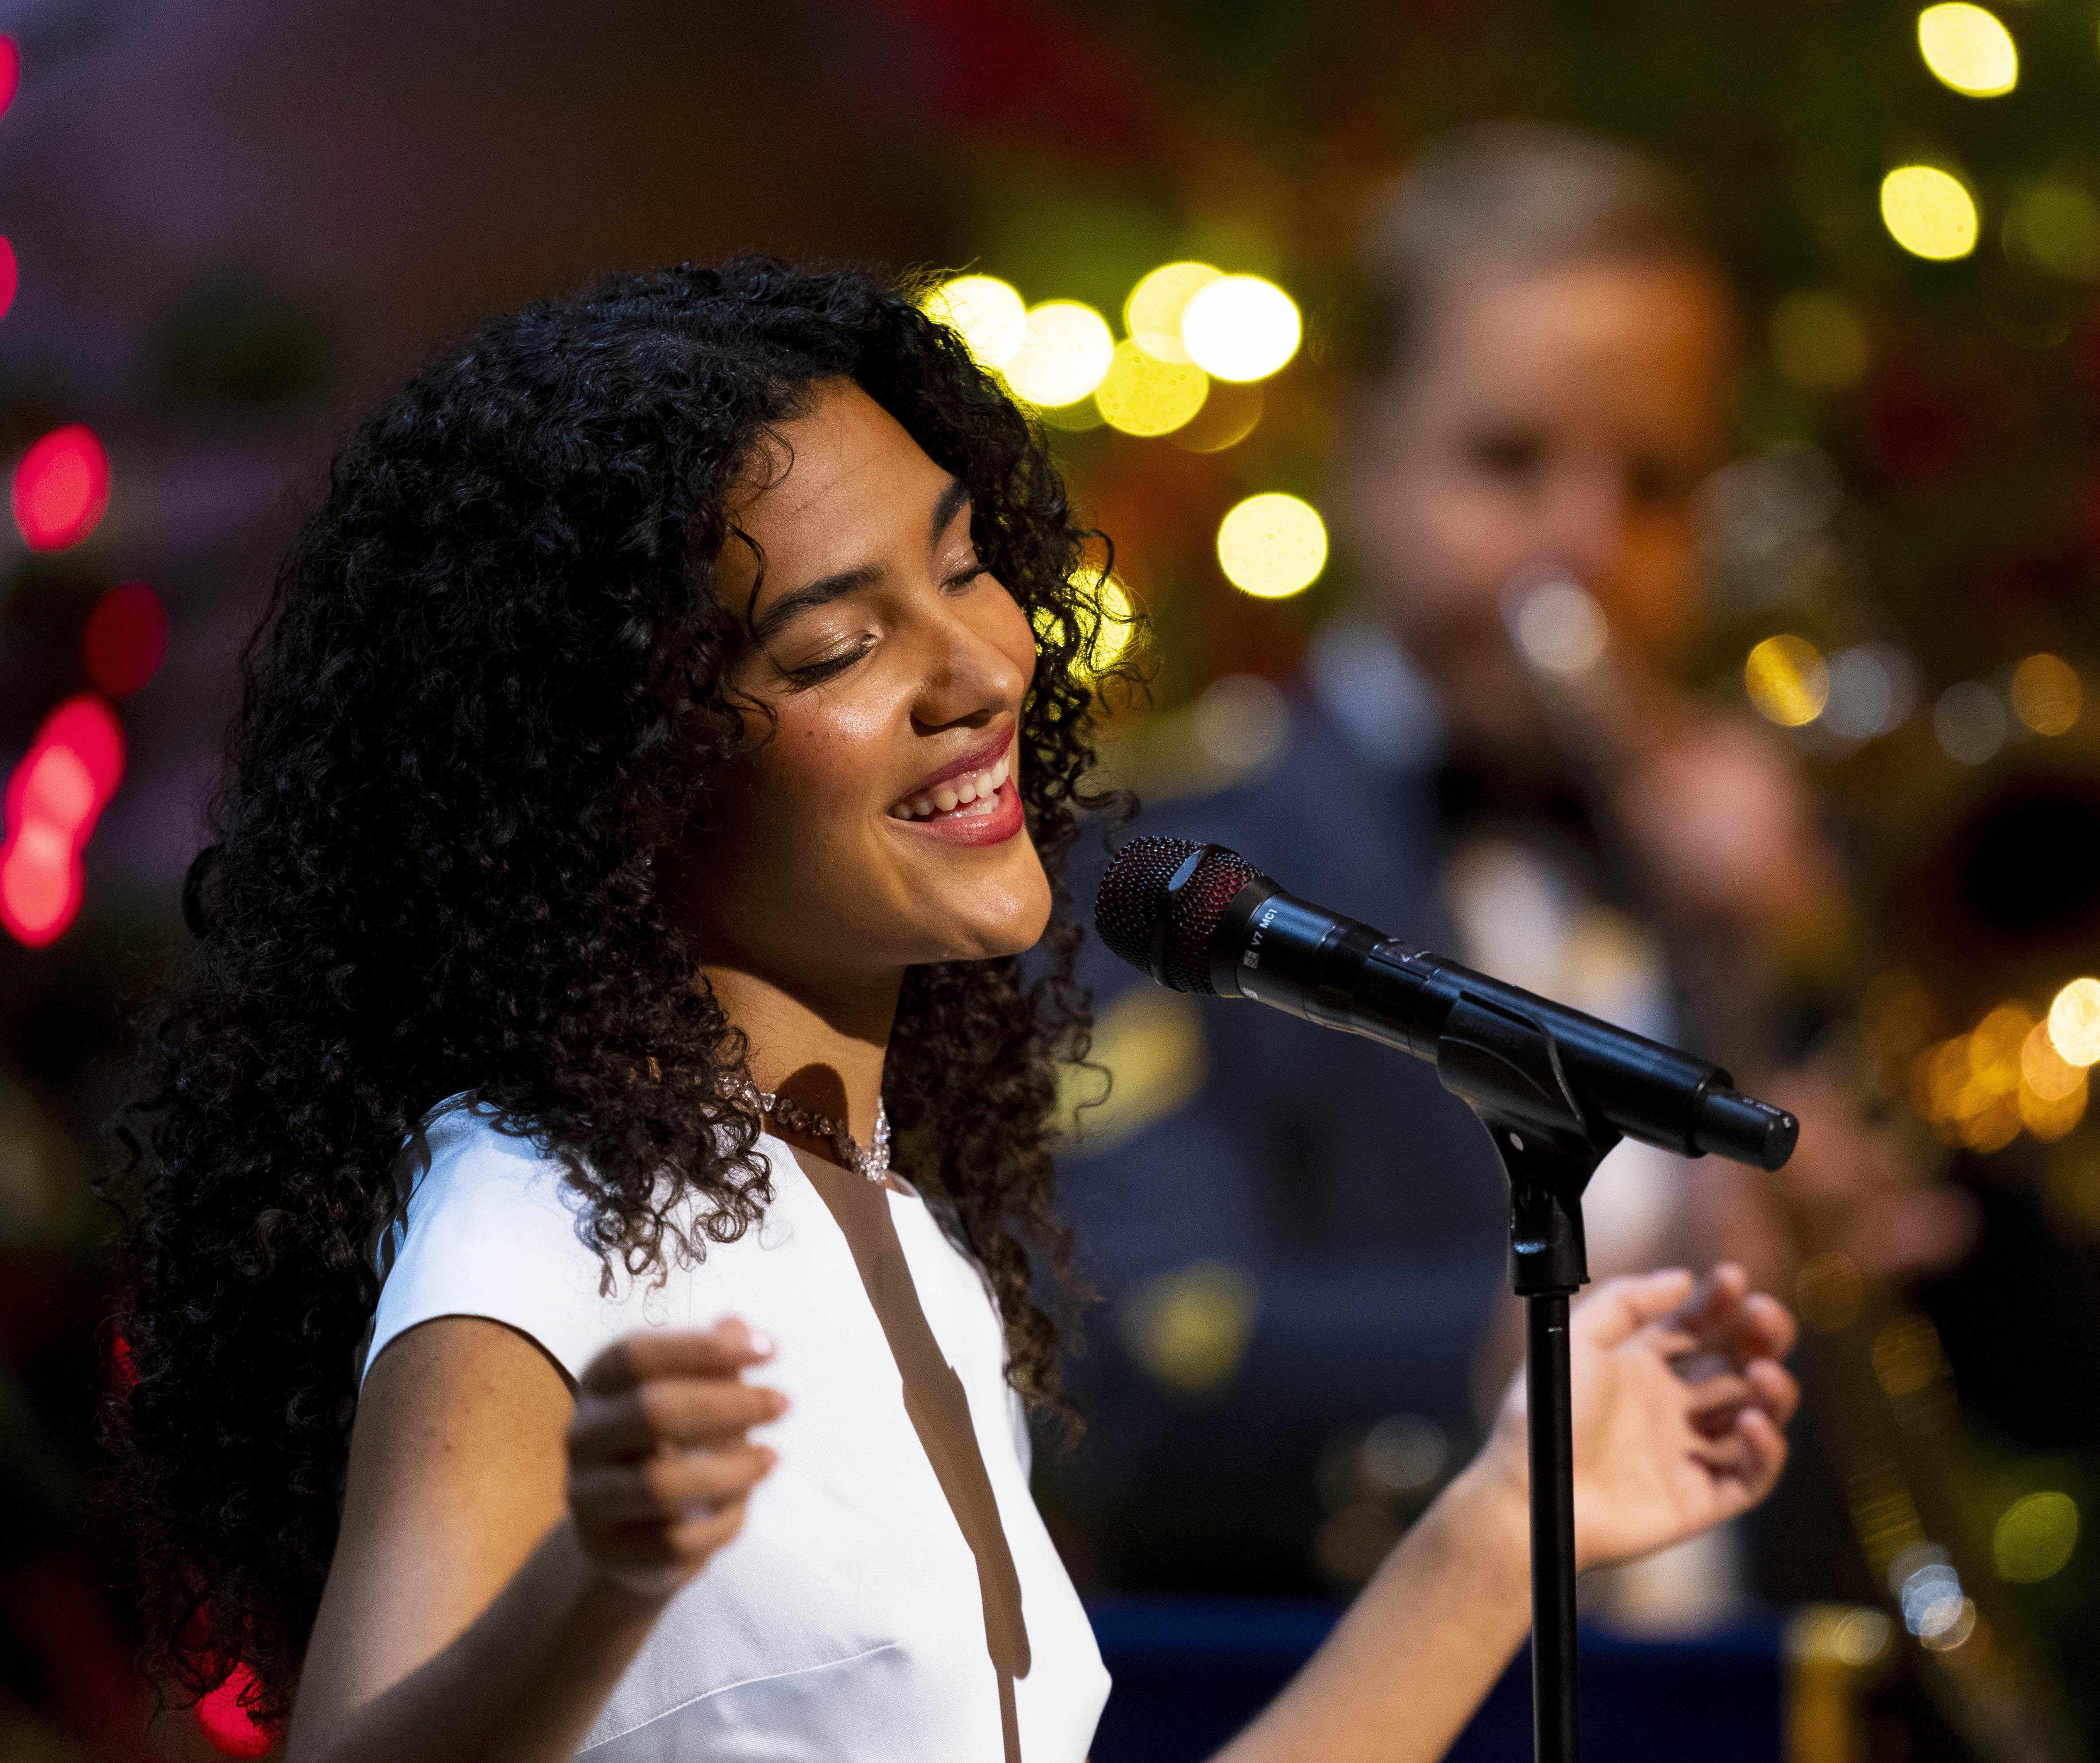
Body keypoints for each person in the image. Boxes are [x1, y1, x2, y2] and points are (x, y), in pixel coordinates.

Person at [100, 258, 1799, 1763]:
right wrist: (591, 1587)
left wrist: (1510, 1521)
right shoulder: (533, 1230)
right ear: (615, 779)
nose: (982, 669)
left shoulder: (874, 1210)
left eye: (967, 563)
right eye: (835, 649)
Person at [1053, 126, 1968, 1612]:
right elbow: (1120, 1368)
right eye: (1509, 459)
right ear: (1362, 456)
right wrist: (1576, 1325)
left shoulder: (1798, 864)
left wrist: (1820, 953)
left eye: (1657, 483)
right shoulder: (1175, 859)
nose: (1585, 545)